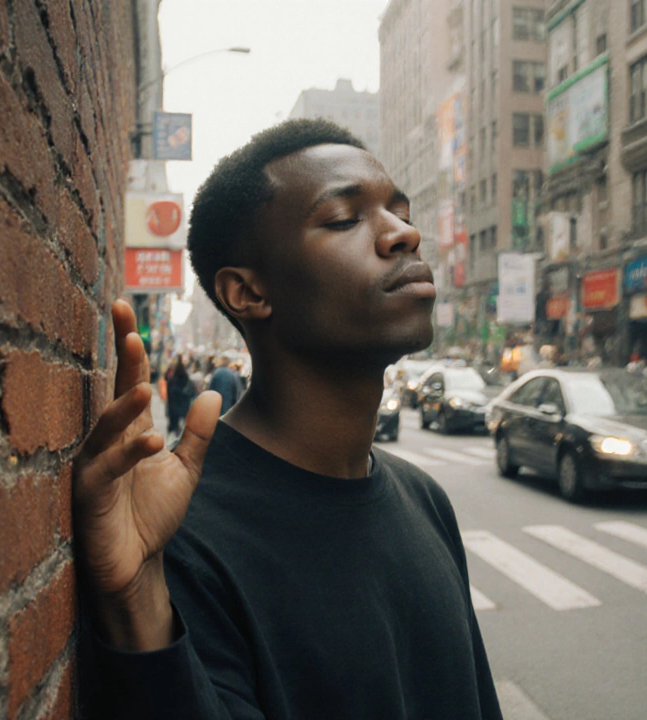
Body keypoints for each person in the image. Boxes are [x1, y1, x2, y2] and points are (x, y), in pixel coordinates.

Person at [72, 119, 503, 719]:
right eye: (345, 219)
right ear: (247, 292)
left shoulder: (425, 500)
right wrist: (137, 604)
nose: (403, 234)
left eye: (400, 212)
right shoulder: (179, 532)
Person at [164, 354, 199, 437]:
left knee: (173, 428)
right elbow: (192, 392)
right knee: (182, 428)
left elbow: (169, 395)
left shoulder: (171, 380)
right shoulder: (186, 379)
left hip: (173, 408)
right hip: (184, 407)